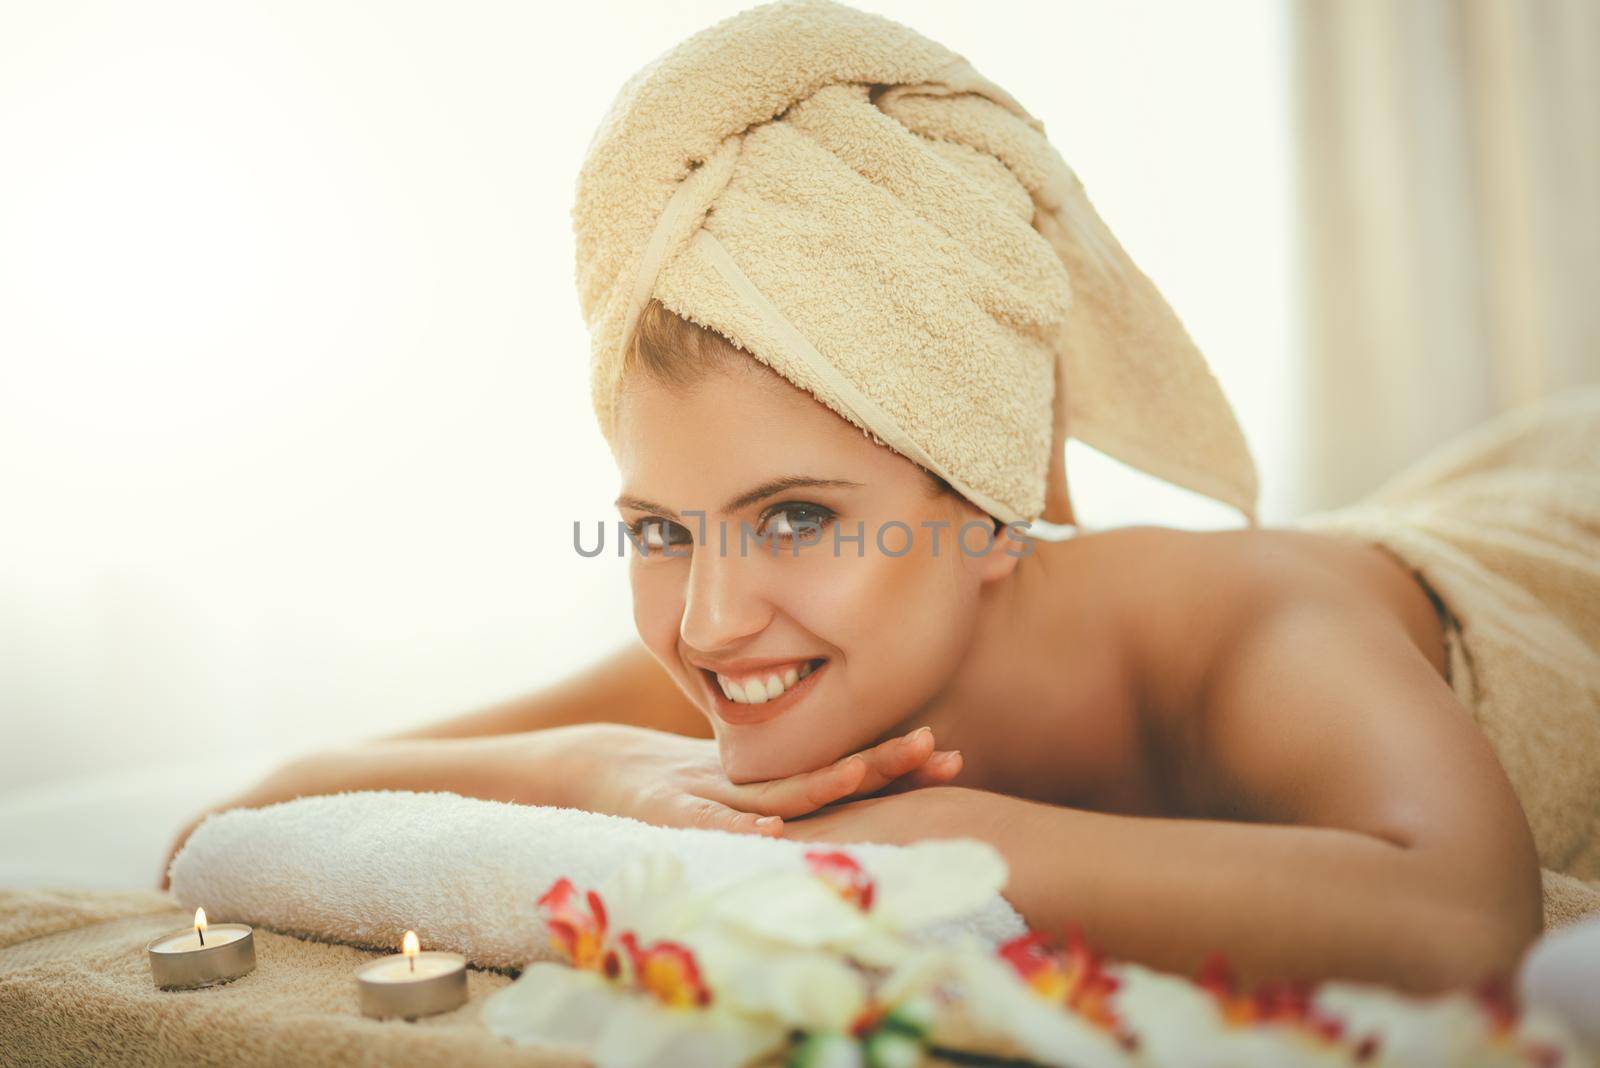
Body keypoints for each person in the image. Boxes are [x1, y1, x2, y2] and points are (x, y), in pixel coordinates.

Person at [160, 0, 1595, 999]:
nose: (711, 621)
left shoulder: (1248, 627)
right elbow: (238, 822)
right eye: (660, 529)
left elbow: (1468, 923)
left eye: (795, 517)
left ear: (983, 512)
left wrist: (934, 849)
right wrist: (589, 773)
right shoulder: (756, 676)